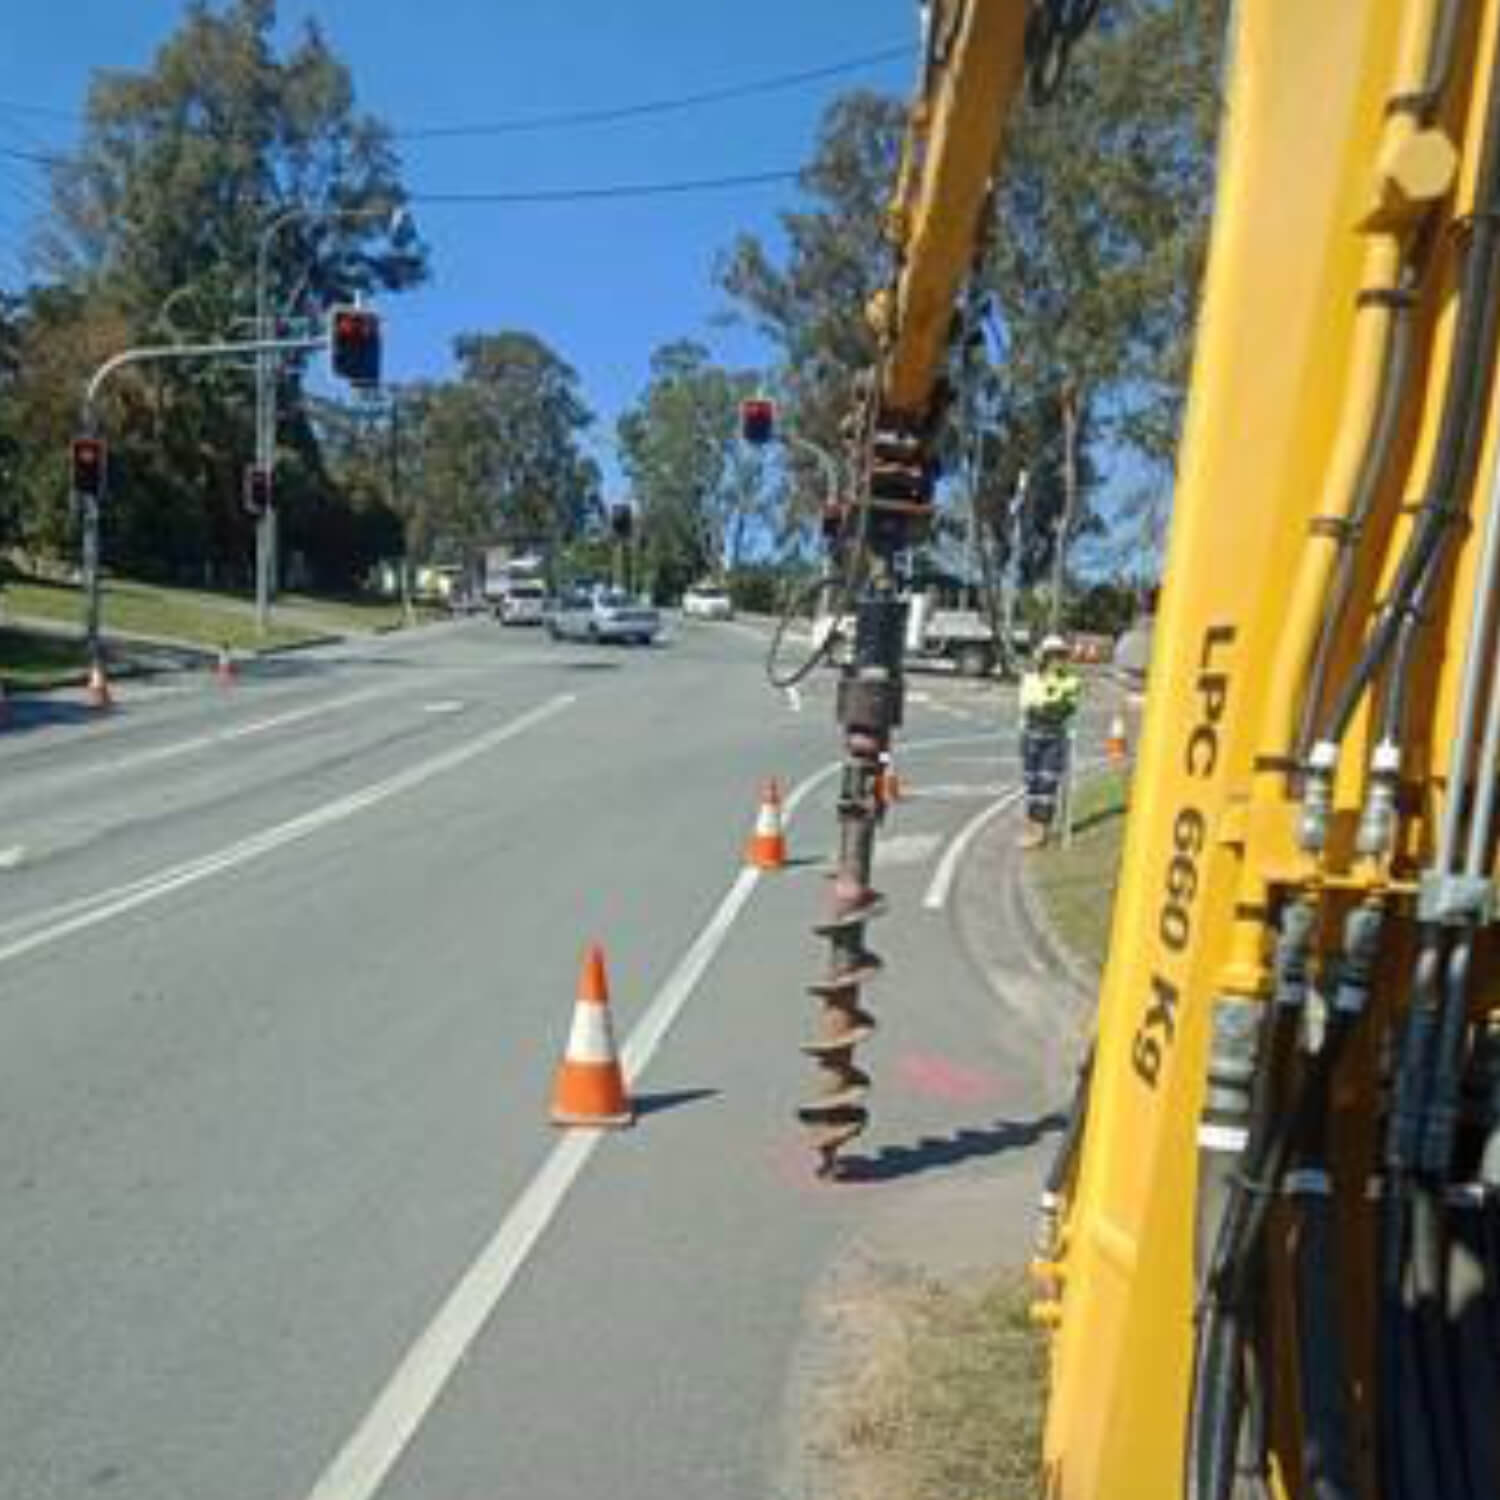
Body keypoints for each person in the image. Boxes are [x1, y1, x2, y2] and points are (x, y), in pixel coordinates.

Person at [1018, 634, 1081, 849]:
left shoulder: (1071, 681)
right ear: (1043, 657)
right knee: (1031, 783)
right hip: (1031, 735)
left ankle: (1040, 832)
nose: (1056, 661)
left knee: (1047, 783)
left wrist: (1058, 709)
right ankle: (1031, 825)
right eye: (1052, 656)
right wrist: (1044, 709)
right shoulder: (1031, 678)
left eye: (1060, 656)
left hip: (1055, 738)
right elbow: (1027, 705)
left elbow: (1070, 706)